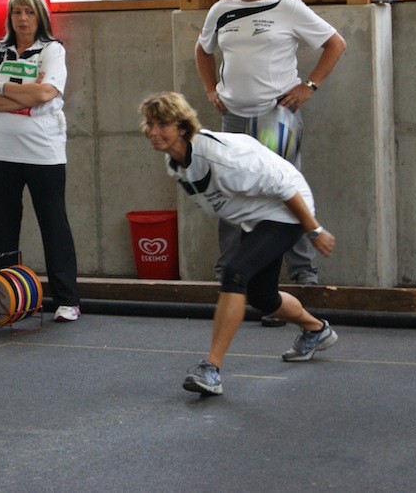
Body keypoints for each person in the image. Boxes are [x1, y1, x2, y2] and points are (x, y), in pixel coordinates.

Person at [139, 92, 338, 396]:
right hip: (258, 217)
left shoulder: (224, 157)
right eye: (150, 124)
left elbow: (285, 188)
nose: (153, 132)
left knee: (235, 271)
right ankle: (316, 330)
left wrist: (315, 230)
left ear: (181, 127)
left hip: (287, 209)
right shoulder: (176, 163)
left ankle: (211, 369)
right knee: (262, 296)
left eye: (162, 124)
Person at [195, 0, 346, 289]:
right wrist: (209, 90)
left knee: (282, 189)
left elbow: (335, 43)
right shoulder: (221, 10)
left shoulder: (288, 7)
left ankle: (302, 273)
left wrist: (310, 85)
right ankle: (231, 269)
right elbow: (202, 50)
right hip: (233, 118)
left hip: (276, 117)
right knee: (230, 189)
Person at [0, 0, 80, 322]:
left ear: (40, 17)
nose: (22, 19)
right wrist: (26, 96)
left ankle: (67, 301)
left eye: (29, 12)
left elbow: (48, 92)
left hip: (43, 150)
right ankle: (6, 299)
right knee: (4, 225)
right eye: (17, 12)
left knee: (53, 223)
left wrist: (3, 88)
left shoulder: (52, 50)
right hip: (0, 150)